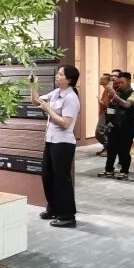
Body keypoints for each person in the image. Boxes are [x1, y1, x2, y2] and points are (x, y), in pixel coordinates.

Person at [37, 65, 81, 228]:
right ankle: (53, 208)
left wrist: (48, 110)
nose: (57, 76)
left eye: (61, 74)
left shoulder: (71, 98)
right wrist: (32, 85)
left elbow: (65, 123)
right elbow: (36, 101)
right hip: (50, 140)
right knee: (47, 175)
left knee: (62, 179)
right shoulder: (56, 93)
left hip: (63, 143)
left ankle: (67, 216)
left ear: (69, 80)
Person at [99, 70, 134, 180]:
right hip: (114, 125)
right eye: (118, 83)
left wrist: (114, 95)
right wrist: (108, 94)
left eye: (122, 82)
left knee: (125, 150)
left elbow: (127, 105)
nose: (120, 85)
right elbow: (106, 105)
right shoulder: (117, 92)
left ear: (128, 81)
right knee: (111, 148)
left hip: (127, 126)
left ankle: (124, 171)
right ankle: (109, 170)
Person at [96, 73, 113, 156]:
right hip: (105, 112)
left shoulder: (109, 88)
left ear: (106, 80)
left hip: (107, 113)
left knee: (100, 130)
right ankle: (107, 148)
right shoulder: (106, 87)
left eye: (101, 79)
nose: (100, 80)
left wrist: (100, 102)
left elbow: (107, 104)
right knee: (105, 131)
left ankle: (108, 148)